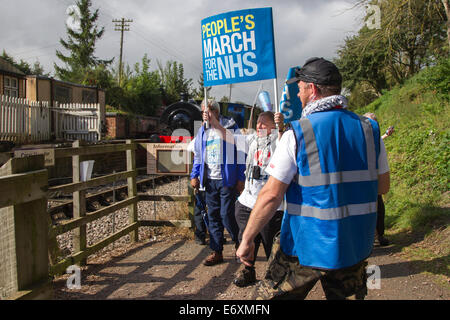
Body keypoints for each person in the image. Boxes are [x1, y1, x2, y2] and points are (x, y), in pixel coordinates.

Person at [236, 57, 390, 300]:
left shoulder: (297, 133)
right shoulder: (370, 130)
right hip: (353, 246)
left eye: (300, 89)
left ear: (313, 89)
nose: (298, 95)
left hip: (305, 247)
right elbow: (383, 186)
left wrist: (247, 239)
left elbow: (271, 195)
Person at [190, 99, 245, 266]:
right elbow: (198, 156)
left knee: (227, 215)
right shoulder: (202, 131)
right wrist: (195, 174)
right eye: (203, 112)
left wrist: (241, 178)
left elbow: (241, 150)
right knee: (213, 215)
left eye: (207, 111)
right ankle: (217, 250)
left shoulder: (230, 126)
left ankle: (239, 244)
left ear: (215, 111)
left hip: (227, 180)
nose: (204, 114)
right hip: (210, 180)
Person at [233, 111, 285, 287]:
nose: (259, 126)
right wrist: (212, 121)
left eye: (263, 123)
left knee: (272, 243)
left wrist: (281, 126)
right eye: (257, 123)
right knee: (246, 238)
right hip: (247, 201)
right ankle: (248, 271)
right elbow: (227, 138)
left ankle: (275, 277)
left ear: (272, 126)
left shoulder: (279, 141)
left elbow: (282, 136)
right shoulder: (253, 140)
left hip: (270, 204)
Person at [364, 112, 394, 246]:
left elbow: (379, 140)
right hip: (364, 180)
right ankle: (371, 237)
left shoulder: (376, 139)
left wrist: (386, 135)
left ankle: (379, 235)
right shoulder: (360, 138)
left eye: (374, 122)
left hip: (375, 180)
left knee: (379, 207)